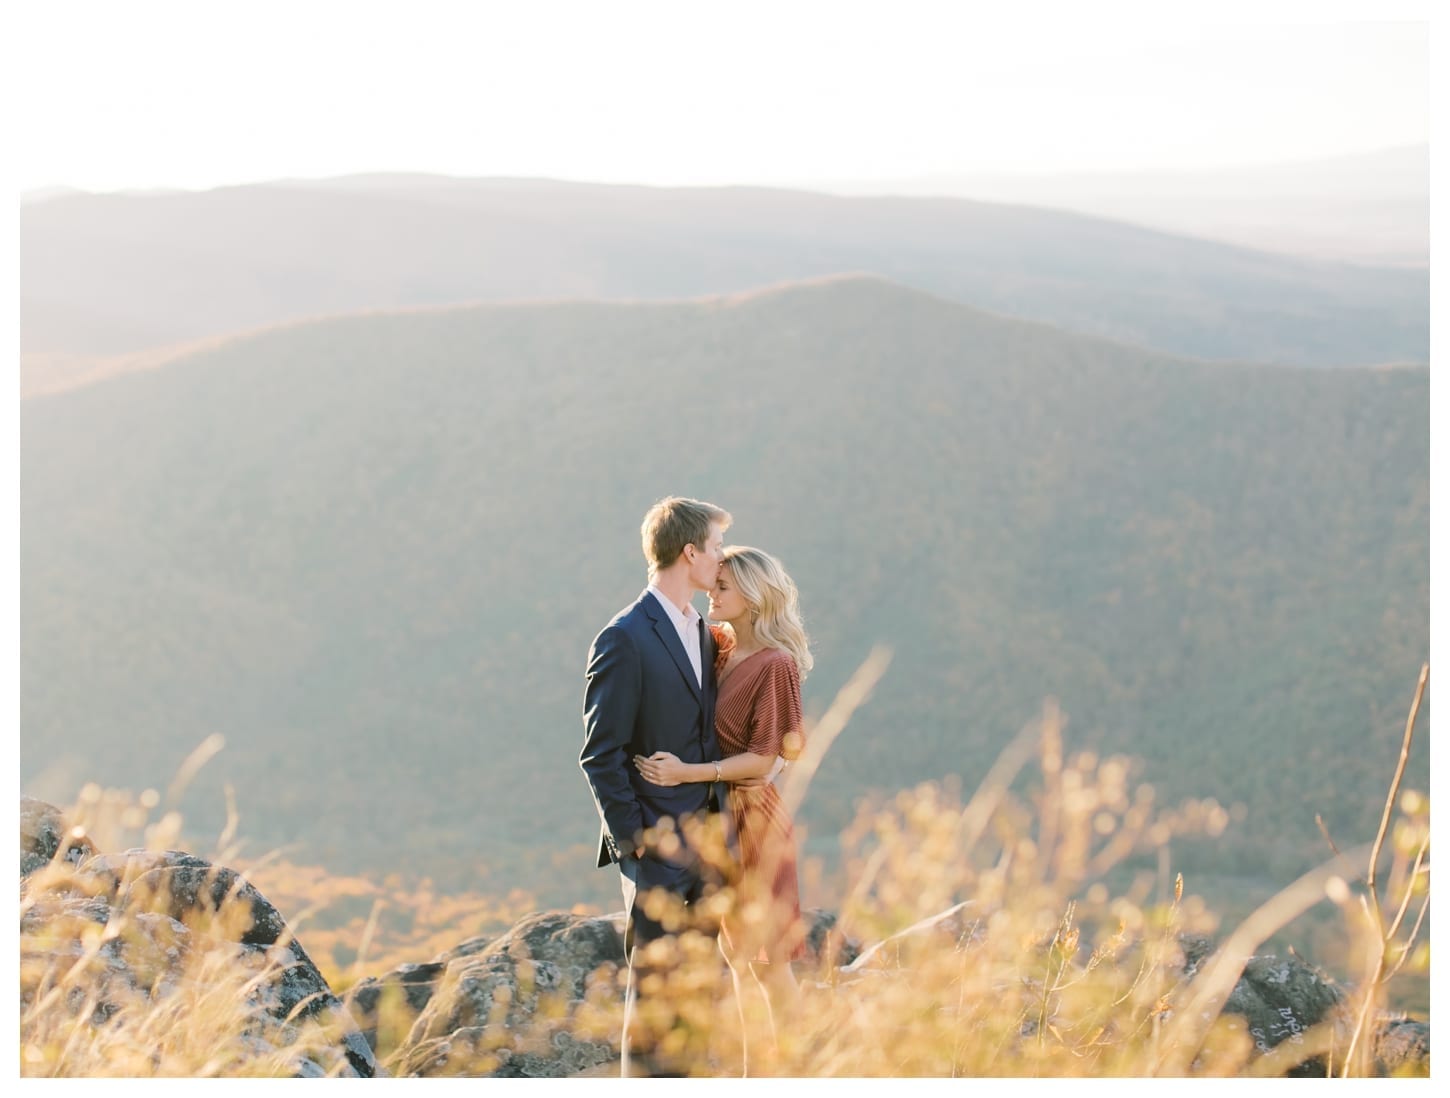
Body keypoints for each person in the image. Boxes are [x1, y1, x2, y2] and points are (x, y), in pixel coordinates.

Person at [633, 545, 811, 1046]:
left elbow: (763, 758)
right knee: (736, 958)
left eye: (725, 587)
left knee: (768, 963)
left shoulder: (775, 665)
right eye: (715, 583)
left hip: (753, 819)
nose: (714, 593)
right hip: (714, 817)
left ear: (754, 597)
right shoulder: (718, 645)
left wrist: (687, 773)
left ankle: (799, 1073)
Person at [580, 496, 733, 1077]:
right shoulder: (624, 636)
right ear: (689, 551)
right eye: (716, 547)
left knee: (696, 997)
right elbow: (600, 754)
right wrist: (635, 841)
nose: (721, 559)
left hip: (708, 845)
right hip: (654, 852)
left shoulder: (704, 632)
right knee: (653, 1002)